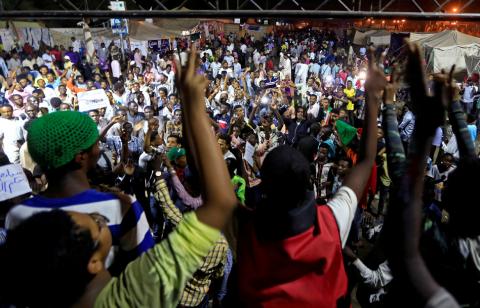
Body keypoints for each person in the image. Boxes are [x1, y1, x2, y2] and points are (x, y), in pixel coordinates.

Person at [0, 45, 237, 308]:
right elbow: (149, 267)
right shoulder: (119, 207)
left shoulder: (17, 215)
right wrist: (192, 101)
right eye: (98, 223)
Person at [237, 48, 386, 307]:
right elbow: (365, 161)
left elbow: (212, 192)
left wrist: (190, 101)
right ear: (307, 183)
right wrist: (373, 99)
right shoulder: (331, 221)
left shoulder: (247, 227)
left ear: (265, 184)